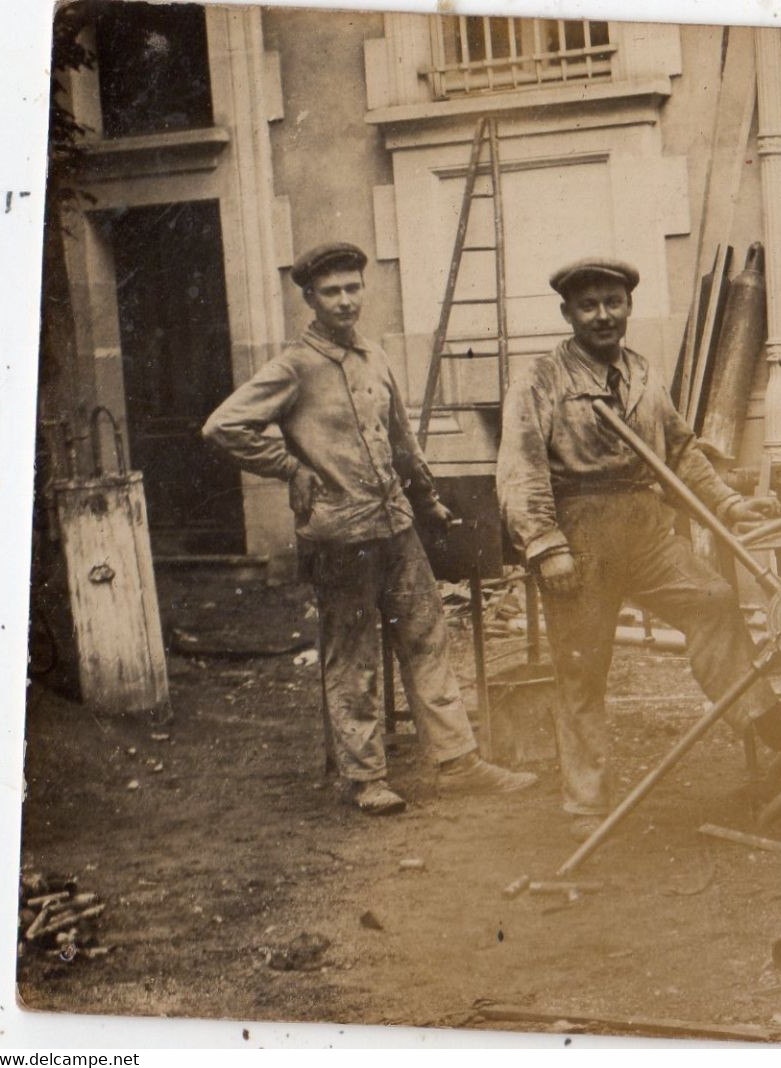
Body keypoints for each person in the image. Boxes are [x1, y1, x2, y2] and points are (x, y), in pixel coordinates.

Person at [203, 242, 537, 816]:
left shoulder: (375, 358)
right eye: (331, 291)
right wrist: (289, 466)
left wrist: (428, 499)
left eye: (352, 288)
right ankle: (365, 778)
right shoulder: (293, 367)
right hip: (339, 537)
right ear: (309, 299)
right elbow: (223, 427)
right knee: (353, 654)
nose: (344, 300)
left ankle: (458, 763)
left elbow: (401, 440)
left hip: (396, 528)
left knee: (428, 638)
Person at [496, 257, 781, 839]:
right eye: (588, 305)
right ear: (568, 313)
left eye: (613, 303)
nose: (603, 316)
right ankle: (587, 804)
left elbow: (678, 454)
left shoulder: (642, 372)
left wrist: (728, 505)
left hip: (646, 527)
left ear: (628, 307)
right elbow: (519, 468)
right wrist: (546, 544)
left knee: (712, 599)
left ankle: (764, 725)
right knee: (582, 669)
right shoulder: (541, 379)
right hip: (579, 532)